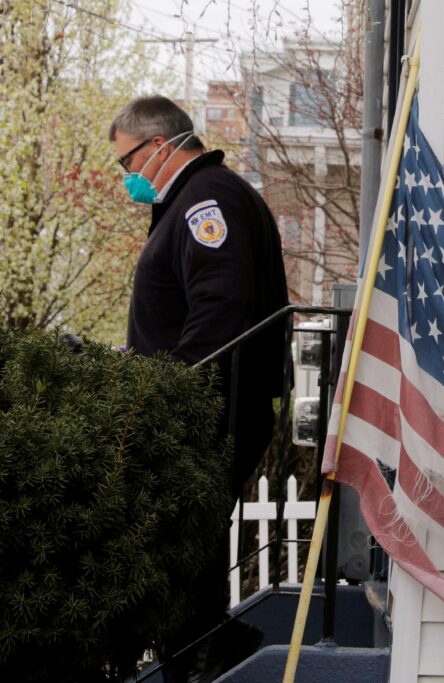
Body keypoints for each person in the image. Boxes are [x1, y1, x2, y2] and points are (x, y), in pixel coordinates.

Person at [110, 95, 288, 681]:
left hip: (208, 408)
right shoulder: (200, 195)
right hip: (210, 404)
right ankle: (206, 648)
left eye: (127, 163)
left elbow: (219, 307)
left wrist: (175, 392)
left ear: (158, 146)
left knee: (184, 538)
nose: (128, 178)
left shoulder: (205, 199)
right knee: (189, 538)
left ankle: (205, 655)